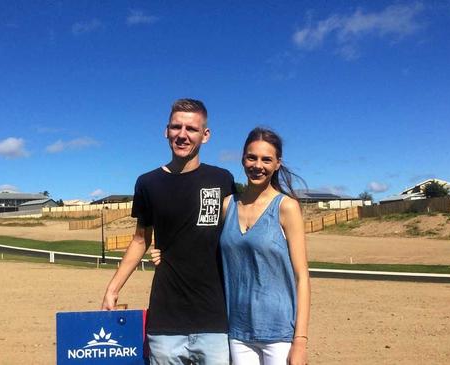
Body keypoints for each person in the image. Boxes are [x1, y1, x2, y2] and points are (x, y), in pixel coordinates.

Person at [153, 127, 310, 365]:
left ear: (277, 164)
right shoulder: (228, 205)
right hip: (237, 331)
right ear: (243, 159)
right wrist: (164, 252)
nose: (258, 165)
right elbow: (197, 238)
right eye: (252, 157)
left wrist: (300, 340)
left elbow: (302, 277)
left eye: (266, 159)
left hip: (279, 332)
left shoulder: (286, 207)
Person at [102, 98, 235, 364]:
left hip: (214, 320)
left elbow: (236, 234)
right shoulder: (148, 183)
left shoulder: (222, 179)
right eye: (176, 127)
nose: (182, 135)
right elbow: (140, 240)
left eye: (191, 129)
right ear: (166, 131)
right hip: (165, 323)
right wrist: (113, 289)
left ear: (205, 135)